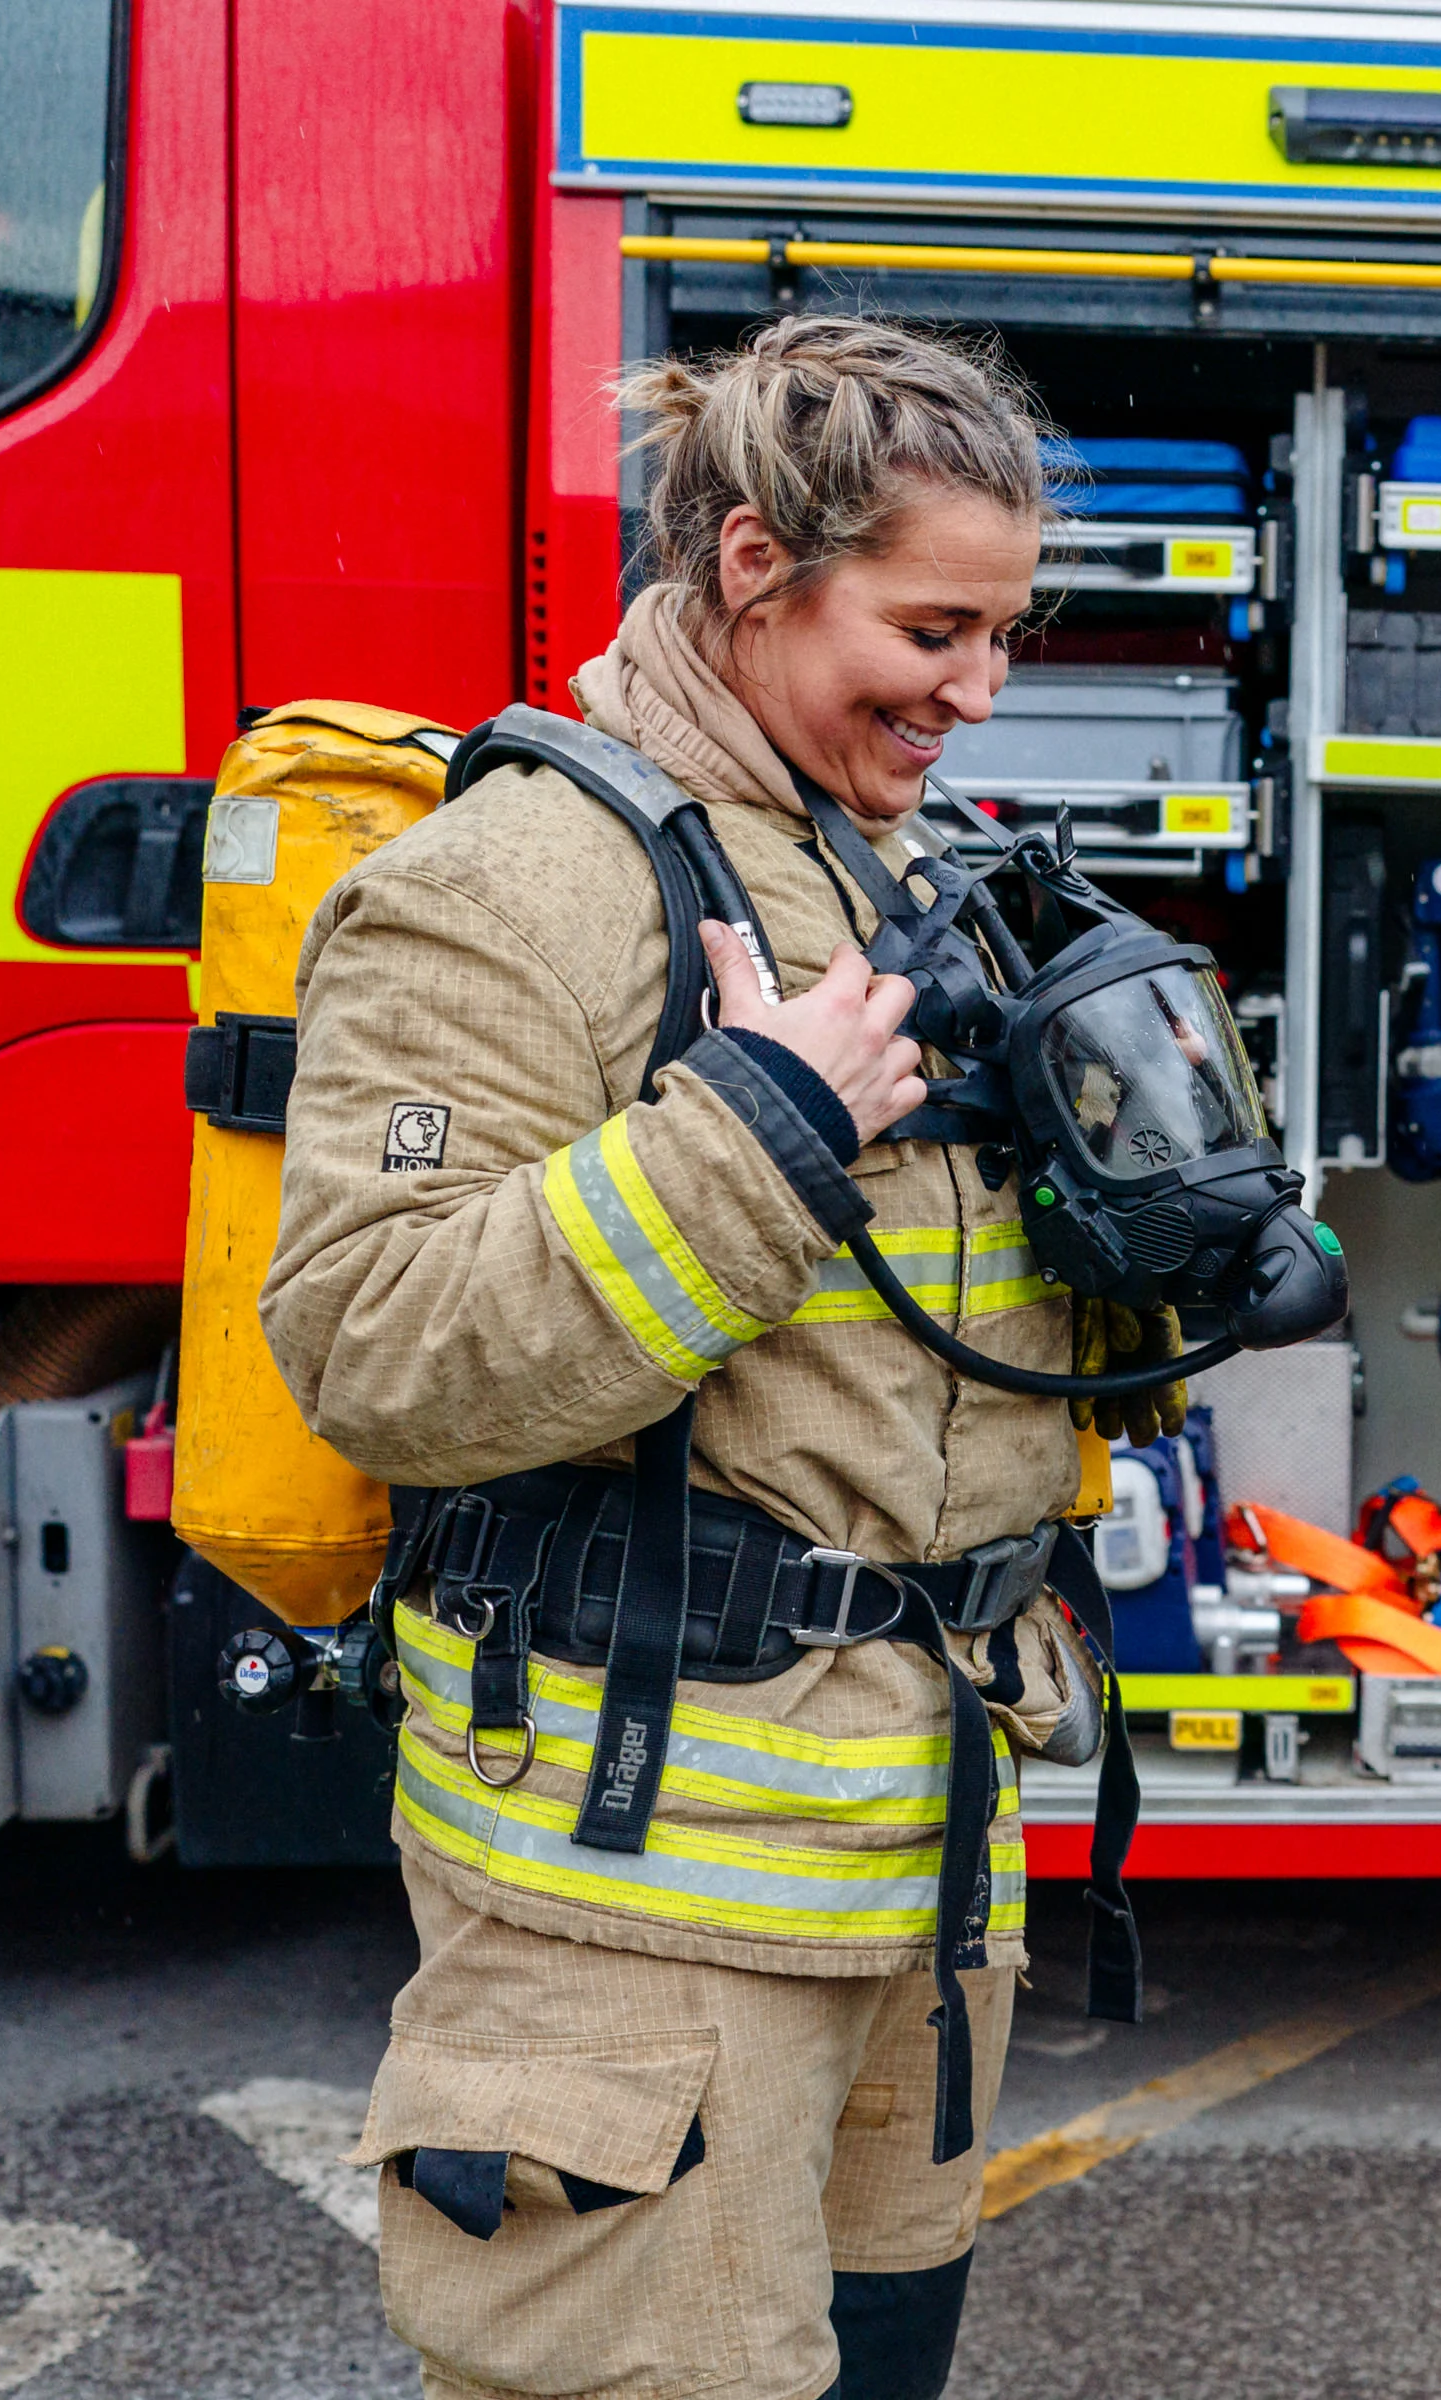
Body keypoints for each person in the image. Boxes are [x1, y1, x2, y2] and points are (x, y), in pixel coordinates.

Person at [265, 315, 1176, 2400]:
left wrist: (1160, 1250)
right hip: (636, 1924)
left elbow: (924, 1359)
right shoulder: (509, 886)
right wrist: (751, 1132)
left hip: (916, 1881)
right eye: (935, 627)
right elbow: (371, 1335)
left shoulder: (887, 862)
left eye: (1006, 633)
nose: (980, 689)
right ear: (756, 566)